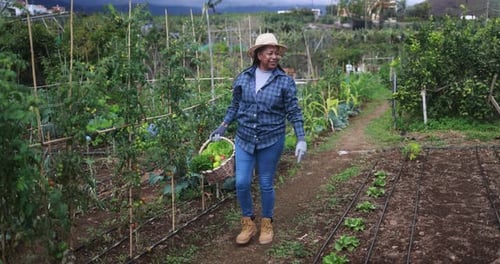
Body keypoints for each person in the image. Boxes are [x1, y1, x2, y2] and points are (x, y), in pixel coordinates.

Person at [210, 33, 307, 245]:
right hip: (244, 138)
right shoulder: (244, 78)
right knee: (241, 182)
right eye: (270, 53)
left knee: (265, 183)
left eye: (277, 53)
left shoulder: (284, 82)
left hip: (271, 139)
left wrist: (301, 138)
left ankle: (267, 222)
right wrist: (223, 126)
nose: (275, 57)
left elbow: (293, 111)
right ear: (259, 55)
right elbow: (235, 106)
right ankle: (248, 222)